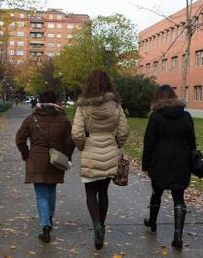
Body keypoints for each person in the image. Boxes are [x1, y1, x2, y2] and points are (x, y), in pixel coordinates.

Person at [71, 70, 129, 250]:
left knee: (90, 194)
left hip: (91, 151)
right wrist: (117, 143)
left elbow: (76, 133)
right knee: (103, 193)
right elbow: (124, 131)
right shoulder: (116, 106)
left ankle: (96, 225)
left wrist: (82, 146)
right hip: (110, 150)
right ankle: (101, 225)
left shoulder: (83, 107)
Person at [142, 85, 196, 251]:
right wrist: (192, 160)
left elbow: (148, 142)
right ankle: (178, 236)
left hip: (160, 161)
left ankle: (152, 221)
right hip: (181, 161)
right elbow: (192, 141)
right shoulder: (186, 116)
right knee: (179, 197)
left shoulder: (156, 117)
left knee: (156, 192)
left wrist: (146, 164)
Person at [15, 91, 75, 243]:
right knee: (51, 190)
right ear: (55, 101)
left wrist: (26, 154)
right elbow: (70, 141)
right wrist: (66, 157)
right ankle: (49, 218)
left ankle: (45, 227)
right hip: (55, 161)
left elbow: (19, 139)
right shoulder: (63, 120)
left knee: (41, 194)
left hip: (36, 160)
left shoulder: (32, 119)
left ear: (40, 101)